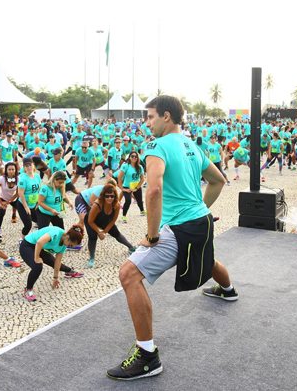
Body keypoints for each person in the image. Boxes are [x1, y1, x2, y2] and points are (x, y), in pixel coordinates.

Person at [108, 96, 238, 381]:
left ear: (166, 116)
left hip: (179, 227)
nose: (147, 122)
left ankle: (147, 357)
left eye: (150, 116)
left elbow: (153, 190)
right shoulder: (192, 145)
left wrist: (152, 236)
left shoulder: (155, 146)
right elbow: (218, 180)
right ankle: (228, 290)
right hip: (200, 222)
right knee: (205, 257)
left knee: (128, 274)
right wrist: (202, 209)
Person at [18, 225, 84, 302]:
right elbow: (39, 242)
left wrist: (55, 278)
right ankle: (28, 290)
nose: (70, 246)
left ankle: (69, 271)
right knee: (37, 266)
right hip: (27, 245)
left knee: (54, 262)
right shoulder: (56, 233)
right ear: (68, 237)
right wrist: (36, 258)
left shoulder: (64, 245)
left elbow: (58, 261)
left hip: (40, 248)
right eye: (70, 245)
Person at [84, 183, 134, 268]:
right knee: (92, 237)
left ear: (115, 196)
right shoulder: (97, 205)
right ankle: (91, 258)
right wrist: (99, 232)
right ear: (103, 196)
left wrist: (105, 231)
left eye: (112, 196)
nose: (110, 198)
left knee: (117, 234)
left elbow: (113, 220)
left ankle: (131, 247)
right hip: (91, 221)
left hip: (106, 221)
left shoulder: (116, 205)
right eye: (107, 196)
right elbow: (90, 221)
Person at [0, 162, 33, 241]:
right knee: (1, 213)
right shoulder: (1, 179)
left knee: (24, 211)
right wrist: (1, 202)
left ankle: (28, 226)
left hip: (13, 198)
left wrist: (9, 201)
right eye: (9, 169)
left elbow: (18, 193)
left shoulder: (18, 179)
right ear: (6, 170)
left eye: (13, 169)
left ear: (15, 170)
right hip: (2, 198)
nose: (11, 171)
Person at [117, 151, 146, 223]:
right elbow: (119, 177)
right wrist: (123, 189)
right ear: (129, 157)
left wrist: (137, 187)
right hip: (127, 187)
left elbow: (142, 179)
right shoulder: (125, 166)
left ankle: (142, 211)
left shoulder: (140, 167)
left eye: (136, 156)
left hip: (136, 186)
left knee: (139, 200)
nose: (134, 158)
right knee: (128, 201)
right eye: (132, 156)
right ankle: (124, 216)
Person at [17, 158, 42, 234]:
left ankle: (37, 237)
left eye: (30, 165)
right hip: (23, 205)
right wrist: (26, 207)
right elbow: (20, 193)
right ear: (24, 167)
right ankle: (23, 239)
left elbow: (39, 190)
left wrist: (38, 203)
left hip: (34, 204)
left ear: (33, 165)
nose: (28, 167)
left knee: (41, 221)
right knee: (28, 225)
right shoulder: (23, 178)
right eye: (26, 166)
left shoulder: (37, 176)